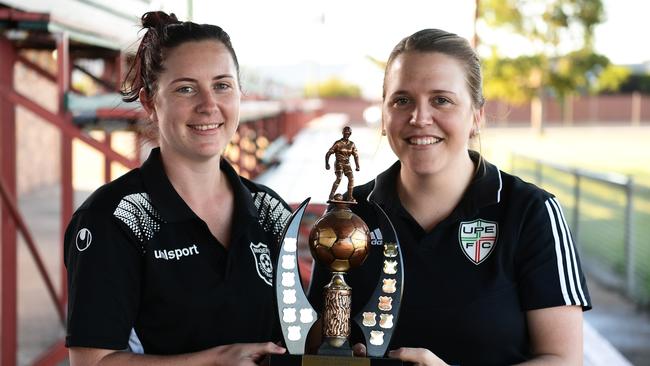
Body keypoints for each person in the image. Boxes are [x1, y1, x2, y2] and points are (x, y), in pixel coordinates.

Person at [308, 29, 591, 365]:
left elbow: (562, 358)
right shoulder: (350, 214)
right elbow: (315, 347)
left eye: (441, 100)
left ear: (477, 116)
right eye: (402, 100)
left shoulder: (532, 212)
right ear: (384, 115)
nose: (419, 118)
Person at [64, 11, 291, 365]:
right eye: (185, 88)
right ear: (150, 102)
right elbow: (92, 360)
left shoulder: (271, 211)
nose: (208, 105)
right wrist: (213, 361)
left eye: (222, 85)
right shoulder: (115, 218)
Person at [325, 126, 360, 201]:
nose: (346, 135)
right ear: (343, 133)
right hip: (339, 163)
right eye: (345, 133)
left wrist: (357, 166)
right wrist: (327, 164)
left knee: (351, 178)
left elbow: (356, 155)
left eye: (348, 133)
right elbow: (328, 153)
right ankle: (331, 195)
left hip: (347, 164)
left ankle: (350, 197)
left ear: (350, 134)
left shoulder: (352, 144)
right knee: (339, 178)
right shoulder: (338, 143)